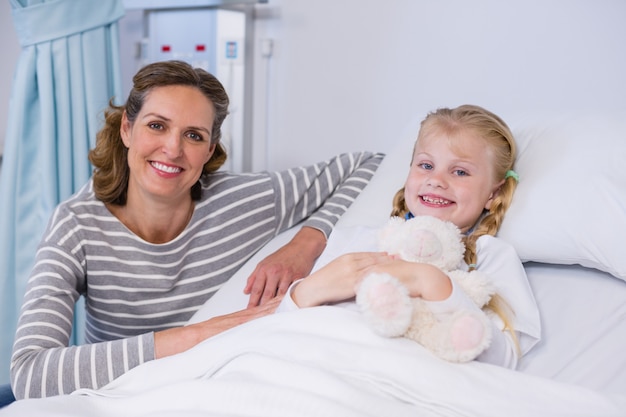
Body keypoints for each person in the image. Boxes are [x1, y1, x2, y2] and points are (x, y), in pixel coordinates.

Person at [9, 60, 384, 400]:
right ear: (127, 128)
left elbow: (370, 164)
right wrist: (200, 334)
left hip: (218, 395)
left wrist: (306, 242)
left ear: (210, 149)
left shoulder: (245, 201)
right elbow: (29, 373)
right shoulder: (77, 224)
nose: (172, 149)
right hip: (121, 400)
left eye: (193, 135)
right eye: (157, 126)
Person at [278, 104, 541, 369]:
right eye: (426, 165)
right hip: (323, 362)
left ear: (493, 194)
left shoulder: (490, 257)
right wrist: (311, 288)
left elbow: (504, 359)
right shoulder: (354, 240)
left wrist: (429, 281)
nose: (436, 180)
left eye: (460, 171)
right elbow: (281, 329)